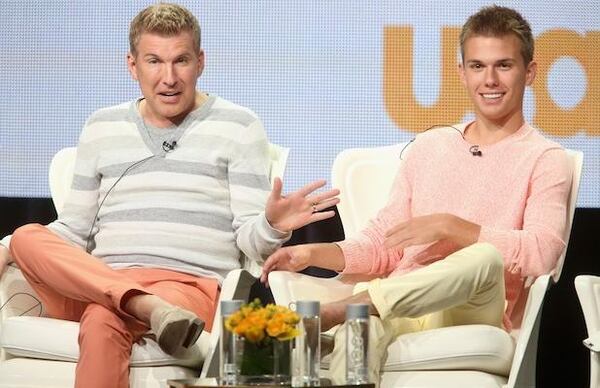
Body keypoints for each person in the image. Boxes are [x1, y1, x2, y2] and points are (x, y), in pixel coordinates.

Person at [0, 3, 339, 388]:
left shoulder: (238, 126)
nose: (169, 78)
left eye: (181, 60)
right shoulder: (101, 126)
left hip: (186, 289)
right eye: (154, 61)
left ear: (201, 62)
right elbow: (73, 231)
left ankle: (138, 302)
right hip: (100, 280)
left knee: (101, 317)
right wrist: (8, 248)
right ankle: (141, 303)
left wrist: (272, 225)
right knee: (26, 235)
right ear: (132, 65)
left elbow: (252, 244)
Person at [260, 5, 573, 385]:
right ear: (462, 73)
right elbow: (382, 243)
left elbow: (542, 253)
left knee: (484, 256)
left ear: (530, 72)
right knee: (359, 333)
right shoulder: (430, 146)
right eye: (477, 66)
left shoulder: (546, 158)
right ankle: (356, 313)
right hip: (403, 302)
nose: (489, 80)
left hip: (471, 306)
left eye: (503, 65)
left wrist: (451, 227)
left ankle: (348, 308)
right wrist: (312, 254)